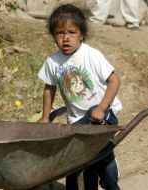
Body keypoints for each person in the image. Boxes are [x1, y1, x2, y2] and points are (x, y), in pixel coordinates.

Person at [37, 3, 122, 190]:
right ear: (53, 36)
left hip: (103, 114)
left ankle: (110, 176)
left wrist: (102, 108)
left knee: (97, 161)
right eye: (60, 33)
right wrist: (45, 117)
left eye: (71, 32)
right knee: (82, 165)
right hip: (77, 121)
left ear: (81, 34)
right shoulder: (53, 61)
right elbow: (49, 88)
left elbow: (115, 80)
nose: (66, 38)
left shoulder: (91, 55)